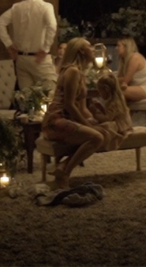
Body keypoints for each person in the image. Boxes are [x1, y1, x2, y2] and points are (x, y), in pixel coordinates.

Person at [41, 38, 104, 189]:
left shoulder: (80, 73)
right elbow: (69, 105)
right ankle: (65, 174)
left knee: (102, 130)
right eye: (89, 46)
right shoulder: (72, 71)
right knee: (96, 137)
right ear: (81, 51)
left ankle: (62, 167)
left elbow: (82, 107)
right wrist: (88, 125)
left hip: (68, 120)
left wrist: (94, 120)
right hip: (55, 121)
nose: (93, 49)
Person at [0, 0, 59, 90]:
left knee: (27, 97)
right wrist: (45, 48)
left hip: (21, 58)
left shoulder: (16, 7)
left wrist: (9, 44)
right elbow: (52, 26)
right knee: (51, 92)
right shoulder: (46, 6)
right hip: (39, 58)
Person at [89, 75, 134, 151]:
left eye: (100, 91)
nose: (100, 94)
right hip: (115, 122)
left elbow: (107, 119)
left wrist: (94, 113)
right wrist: (101, 107)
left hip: (120, 126)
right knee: (91, 121)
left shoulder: (115, 103)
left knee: (104, 126)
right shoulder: (114, 100)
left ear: (106, 90)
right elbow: (109, 115)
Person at [114, 37, 146, 102]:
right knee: (112, 91)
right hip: (139, 87)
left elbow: (126, 80)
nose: (116, 48)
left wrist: (110, 79)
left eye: (118, 45)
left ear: (126, 47)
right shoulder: (123, 61)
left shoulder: (135, 57)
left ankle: (116, 111)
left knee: (118, 91)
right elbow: (120, 79)